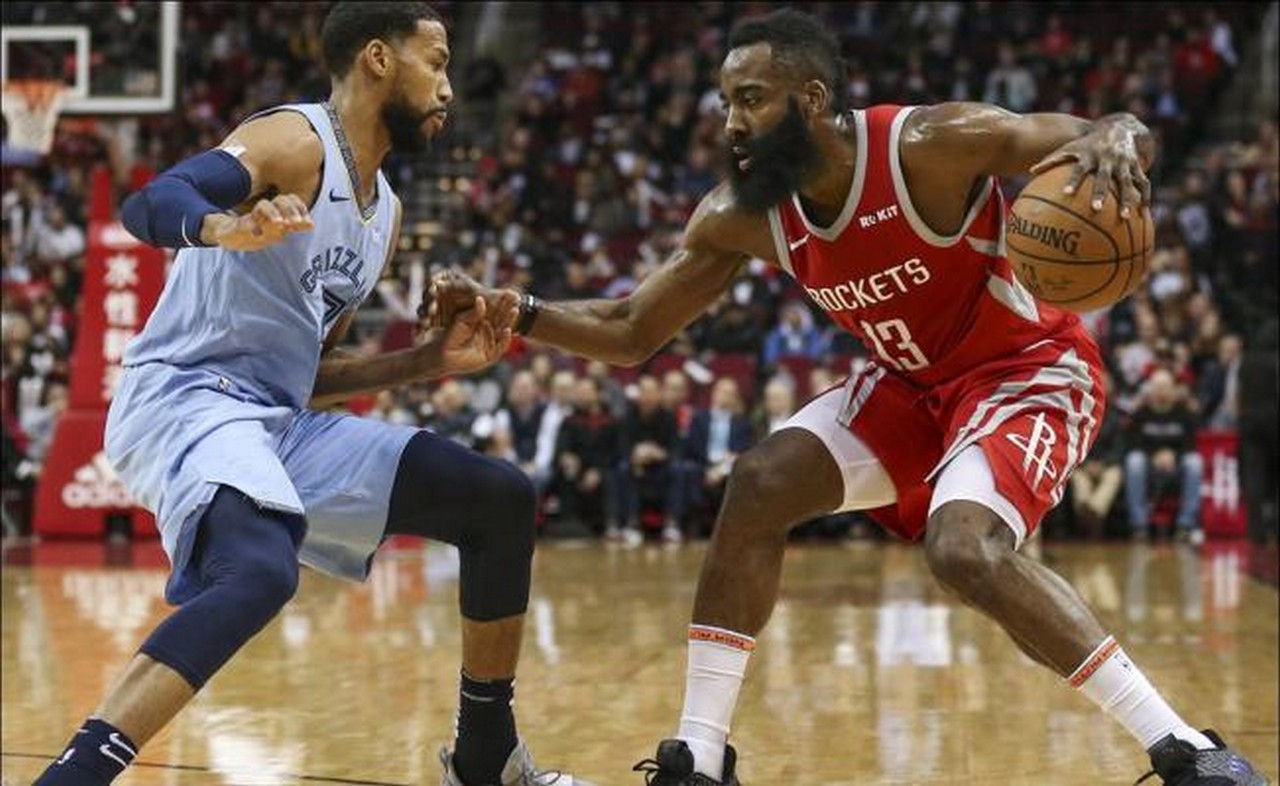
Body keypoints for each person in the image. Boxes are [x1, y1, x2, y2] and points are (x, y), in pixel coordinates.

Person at [427, 9, 1266, 785]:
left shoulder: (929, 145)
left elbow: (1092, 135)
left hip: (1027, 370)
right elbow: (629, 330)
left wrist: (1121, 131)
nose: (732, 123)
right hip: (907, 386)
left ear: (812, 98)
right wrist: (522, 313)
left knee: (962, 550)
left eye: (751, 99)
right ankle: (700, 756)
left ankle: (1184, 748)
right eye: (725, 103)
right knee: (758, 485)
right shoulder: (741, 215)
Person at [35, 5, 590, 786]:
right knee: (259, 571)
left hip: (275, 419)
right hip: (187, 398)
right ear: (376, 59)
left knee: (495, 500)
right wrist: (226, 228)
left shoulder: (385, 217)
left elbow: (309, 374)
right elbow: (154, 202)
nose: (449, 89)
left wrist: (425, 360)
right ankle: (74, 776)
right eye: (435, 62)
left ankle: (485, 753)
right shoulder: (294, 142)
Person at [1123, 368, 1205, 543]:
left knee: (1195, 462)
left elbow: (1191, 444)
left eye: (1165, 387)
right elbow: (1133, 443)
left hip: (1176, 466)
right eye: (1157, 387)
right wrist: (1154, 456)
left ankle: (1186, 525)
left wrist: (1173, 455)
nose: (1161, 391)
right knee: (1134, 461)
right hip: (1149, 466)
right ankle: (1139, 525)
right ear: (1150, 390)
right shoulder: (1140, 414)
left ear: (1173, 390)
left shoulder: (1185, 413)